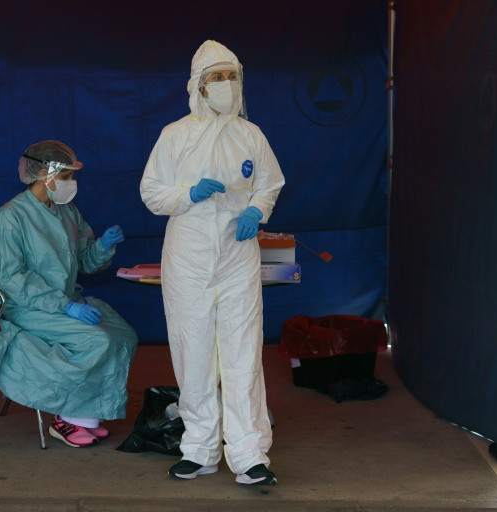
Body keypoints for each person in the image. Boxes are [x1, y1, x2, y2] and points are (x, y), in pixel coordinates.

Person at [140, 40, 285, 485]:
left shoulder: (250, 134)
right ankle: (199, 449)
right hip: (189, 253)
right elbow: (151, 193)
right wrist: (188, 194)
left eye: (231, 76)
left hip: (237, 252)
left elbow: (269, 183)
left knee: (243, 351)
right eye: (216, 77)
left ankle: (249, 454)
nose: (225, 84)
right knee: (193, 350)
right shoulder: (174, 135)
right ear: (198, 86)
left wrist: (256, 211)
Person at [0, 140, 138, 448]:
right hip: (28, 307)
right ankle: (65, 419)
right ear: (43, 174)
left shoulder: (66, 211)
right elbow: (10, 278)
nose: (70, 183)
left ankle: (86, 418)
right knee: (97, 340)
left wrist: (103, 246)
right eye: (65, 176)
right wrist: (64, 306)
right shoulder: (11, 217)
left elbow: (84, 262)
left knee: (123, 335)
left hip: (63, 303)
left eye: (71, 176)